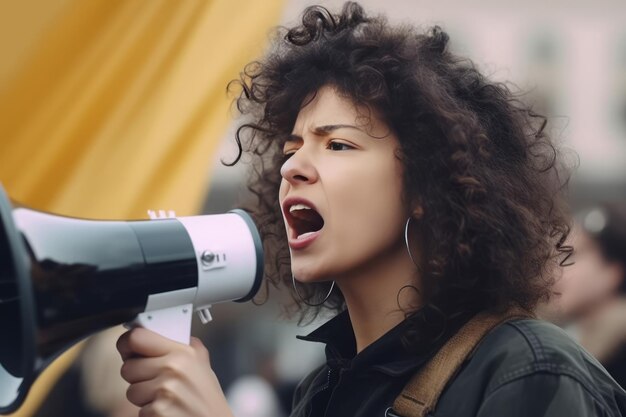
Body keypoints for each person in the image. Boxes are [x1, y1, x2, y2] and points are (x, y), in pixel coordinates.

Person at [115, 3, 626, 416]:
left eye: (337, 145)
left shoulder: (528, 375)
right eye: (291, 151)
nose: (293, 169)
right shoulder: (321, 393)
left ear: (428, 186)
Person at [538, 202, 626, 387]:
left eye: (574, 254)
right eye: (558, 254)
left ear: (613, 271)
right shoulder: (571, 341)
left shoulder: (616, 358)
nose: (556, 268)